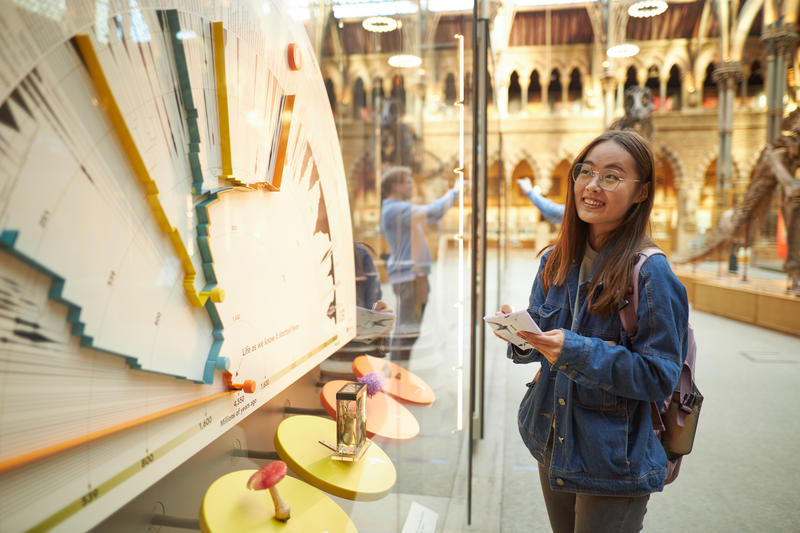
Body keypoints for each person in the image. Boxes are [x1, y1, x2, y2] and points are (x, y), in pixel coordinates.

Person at [494, 130, 689, 533]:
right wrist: (522, 336)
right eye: (585, 172)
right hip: (552, 438)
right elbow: (545, 341)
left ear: (641, 192)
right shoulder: (555, 259)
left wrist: (574, 351)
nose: (592, 185)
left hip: (612, 459)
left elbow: (659, 376)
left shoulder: (651, 273)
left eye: (611, 176)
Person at [380, 166, 459, 360]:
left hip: (415, 277)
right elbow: (433, 211)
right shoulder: (395, 209)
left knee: (410, 333)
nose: (411, 186)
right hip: (410, 278)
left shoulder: (399, 209)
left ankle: (399, 371)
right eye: (408, 182)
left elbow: (432, 217)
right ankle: (397, 373)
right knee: (406, 332)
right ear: (395, 186)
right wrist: (455, 191)